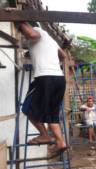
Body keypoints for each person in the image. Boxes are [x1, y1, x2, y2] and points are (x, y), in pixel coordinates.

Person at [19, 22, 68, 152]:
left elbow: (32, 34)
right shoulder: (51, 40)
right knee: (52, 114)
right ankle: (61, 142)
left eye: (21, 30)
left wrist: (20, 22)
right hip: (59, 79)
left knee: (28, 109)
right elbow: (63, 56)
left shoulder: (35, 30)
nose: (22, 33)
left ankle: (44, 135)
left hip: (45, 78)